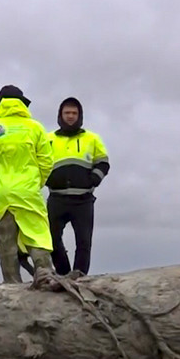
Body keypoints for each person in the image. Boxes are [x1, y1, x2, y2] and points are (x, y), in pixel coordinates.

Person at [0, 85, 54, 283]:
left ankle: (12, 284)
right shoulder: (35, 128)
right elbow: (47, 162)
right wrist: (35, 182)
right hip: (28, 191)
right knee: (37, 234)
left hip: (0, 194)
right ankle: (45, 275)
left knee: (6, 241)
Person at [45, 96, 110, 277]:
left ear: (80, 115)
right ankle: (65, 274)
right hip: (57, 199)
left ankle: (79, 276)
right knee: (51, 240)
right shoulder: (47, 139)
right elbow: (37, 163)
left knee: (83, 242)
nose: (71, 116)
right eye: (67, 113)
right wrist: (47, 179)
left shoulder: (92, 138)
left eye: (74, 113)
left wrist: (93, 179)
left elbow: (103, 163)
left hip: (83, 200)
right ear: (60, 115)